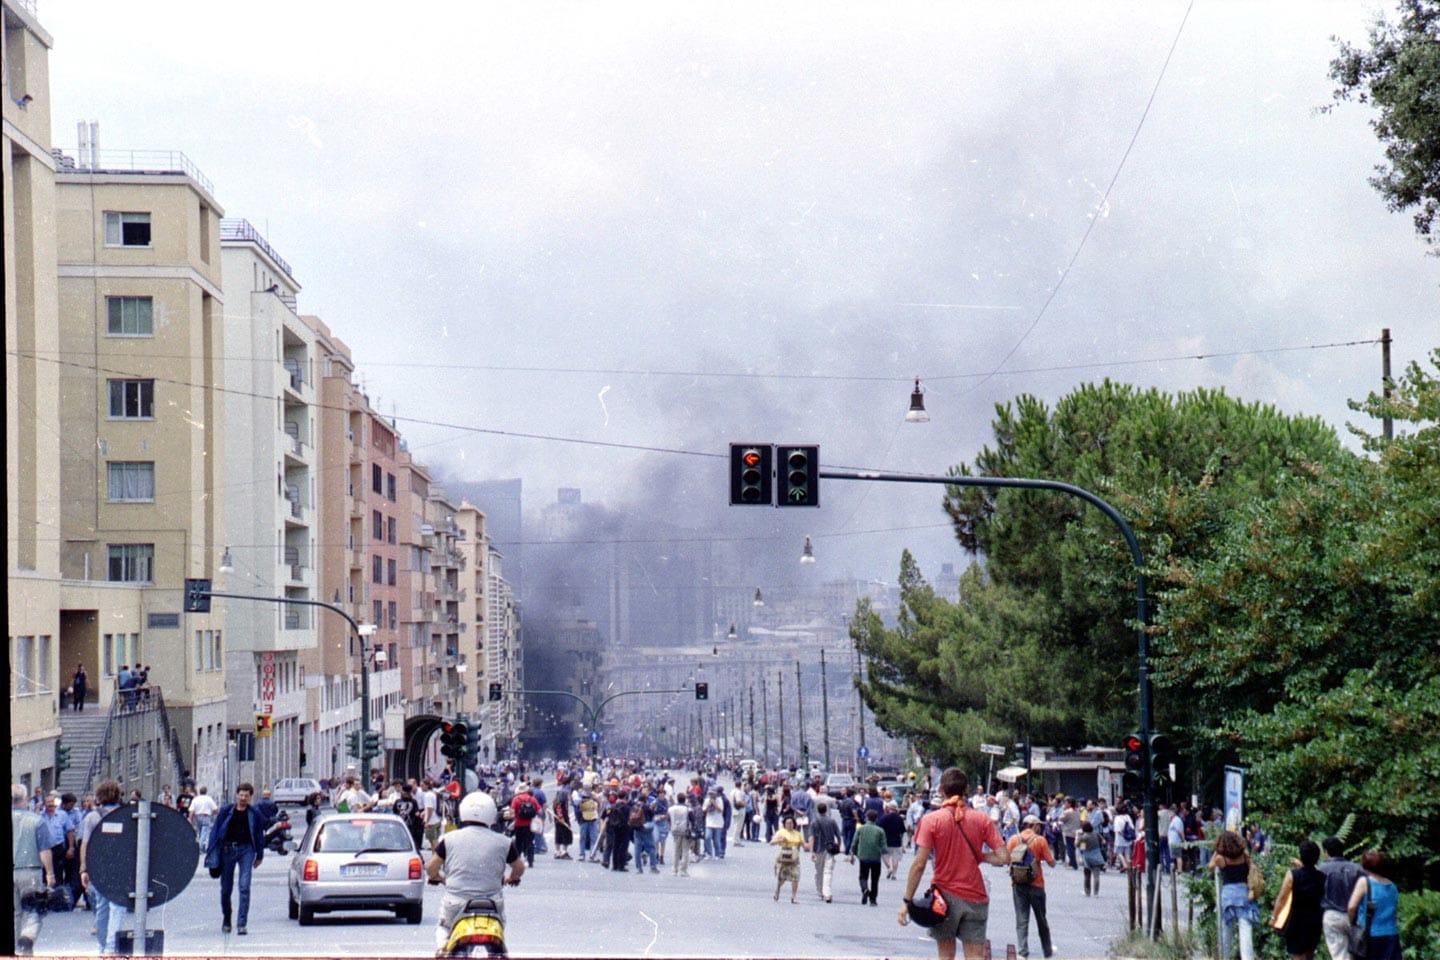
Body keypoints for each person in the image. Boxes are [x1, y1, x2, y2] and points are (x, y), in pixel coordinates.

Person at [899, 767, 1008, 960]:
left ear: (941, 789)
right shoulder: (982, 819)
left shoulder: (931, 820)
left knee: (946, 954)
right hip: (976, 897)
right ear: (967, 789)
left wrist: (907, 901)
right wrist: (980, 857)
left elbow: (919, 864)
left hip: (944, 899)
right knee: (975, 955)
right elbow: (1003, 857)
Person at [427, 791, 525, 952]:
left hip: (456, 901)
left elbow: (431, 867)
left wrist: (438, 877)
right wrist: (511, 878)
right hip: (492, 902)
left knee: (444, 927)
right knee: (500, 932)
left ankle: (442, 948)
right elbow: (519, 868)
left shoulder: (449, 839)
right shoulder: (504, 842)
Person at [204, 782, 267, 935]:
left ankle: (241, 924)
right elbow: (216, 832)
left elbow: (259, 835)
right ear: (237, 795)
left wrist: (259, 855)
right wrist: (212, 853)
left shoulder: (254, 813)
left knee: (244, 887)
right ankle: (227, 918)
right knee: (226, 889)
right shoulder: (226, 811)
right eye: (241, 795)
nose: (243, 798)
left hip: (247, 850)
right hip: (227, 850)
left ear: (250, 797)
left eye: (246, 795)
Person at [12, 784, 58, 955]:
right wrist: (50, 873)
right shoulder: (37, 821)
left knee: (15, 912)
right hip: (31, 870)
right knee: (34, 908)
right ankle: (28, 935)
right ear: (25, 799)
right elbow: (44, 850)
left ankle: (16, 949)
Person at [79, 779, 124, 953]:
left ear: (99, 797)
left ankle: (102, 945)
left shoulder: (92, 816)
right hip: (120, 865)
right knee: (117, 906)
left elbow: (85, 844)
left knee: (101, 906)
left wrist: (84, 868)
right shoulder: (125, 814)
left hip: (99, 865)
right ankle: (112, 947)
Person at [1006, 814, 1056, 959]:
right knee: (1041, 919)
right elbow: (1051, 862)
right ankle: (1047, 951)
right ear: (1033, 825)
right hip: (1036, 884)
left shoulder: (1014, 839)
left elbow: (1007, 858)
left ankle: (1022, 952)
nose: (1039, 827)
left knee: (1022, 919)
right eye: (1038, 825)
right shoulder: (1040, 840)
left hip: (1018, 884)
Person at [1208, 829, 1260, 960]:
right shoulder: (1243, 856)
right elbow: (1251, 868)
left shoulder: (1221, 858)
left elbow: (1210, 866)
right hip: (1243, 894)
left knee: (1226, 933)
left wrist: (1217, 851)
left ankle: (1225, 957)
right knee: (1245, 932)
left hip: (1227, 896)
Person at [1271, 839, 1324, 960]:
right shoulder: (1321, 877)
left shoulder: (1292, 875)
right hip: (1315, 920)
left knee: (1298, 955)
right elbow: (1311, 874)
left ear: (1301, 855)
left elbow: (1282, 897)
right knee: (1309, 954)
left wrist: (1274, 917)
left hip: (1296, 919)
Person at [1347, 850, 1401, 960]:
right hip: (1391, 935)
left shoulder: (1364, 882)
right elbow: (1394, 911)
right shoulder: (1392, 886)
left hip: (1370, 935)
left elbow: (1352, 907)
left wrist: (1351, 923)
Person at [1318, 836, 1364, 960]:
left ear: (1326, 852)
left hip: (1332, 916)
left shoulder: (1321, 869)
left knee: (1340, 955)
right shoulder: (1357, 869)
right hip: (1356, 916)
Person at [807, 799, 843, 903]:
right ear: (826, 810)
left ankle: (820, 891)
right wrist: (838, 846)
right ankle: (827, 893)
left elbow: (811, 837)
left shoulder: (814, 822)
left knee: (819, 871)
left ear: (817, 810)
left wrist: (812, 851)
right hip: (829, 849)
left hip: (818, 849)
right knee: (828, 871)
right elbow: (839, 836)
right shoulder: (832, 821)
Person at [850, 808, 887, 905]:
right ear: (876, 819)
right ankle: (873, 899)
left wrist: (852, 853)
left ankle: (865, 889)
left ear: (867, 818)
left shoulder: (861, 829)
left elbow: (854, 842)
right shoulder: (880, 831)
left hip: (863, 856)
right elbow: (883, 846)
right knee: (875, 879)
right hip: (876, 857)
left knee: (863, 876)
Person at [771, 814, 805, 903]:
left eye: (791, 823)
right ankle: (777, 890)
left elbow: (803, 845)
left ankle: (794, 896)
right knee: (782, 877)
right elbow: (772, 842)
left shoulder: (797, 834)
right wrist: (780, 840)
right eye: (787, 823)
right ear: (784, 824)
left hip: (794, 858)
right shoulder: (781, 832)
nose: (790, 825)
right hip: (783, 857)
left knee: (795, 877)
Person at [508, 784, 540, 868]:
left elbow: (512, 812)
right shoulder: (532, 799)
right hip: (530, 825)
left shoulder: (516, 799)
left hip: (519, 824)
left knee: (518, 843)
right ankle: (530, 861)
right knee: (530, 843)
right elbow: (539, 811)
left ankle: (517, 861)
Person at [878, 801, 907, 880]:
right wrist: (902, 843)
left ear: (889, 808)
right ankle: (894, 874)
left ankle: (889, 868)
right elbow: (902, 831)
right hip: (896, 841)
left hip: (886, 840)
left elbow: (879, 829)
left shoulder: (884, 817)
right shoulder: (899, 818)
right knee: (895, 858)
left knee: (884, 856)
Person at [1078, 820, 1105, 895]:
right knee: (1096, 875)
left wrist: (1078, 836)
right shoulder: (1096, 833)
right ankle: (1096, 892)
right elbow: (1103, 841)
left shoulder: (1084, 837)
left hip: (1087, 856)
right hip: (1097, 855)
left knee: (1087, 875)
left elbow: (1079, 845)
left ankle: (1087, 891)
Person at [668, 793, 692, 876]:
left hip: (675, 830)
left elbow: (669, 819)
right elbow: (692, 819)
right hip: (685, 830)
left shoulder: (671, 809)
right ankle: (683, 870)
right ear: (684, 799)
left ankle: (674, 870)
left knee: (676, 850)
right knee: (685, 850)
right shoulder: (687, 809)